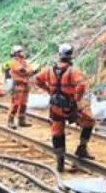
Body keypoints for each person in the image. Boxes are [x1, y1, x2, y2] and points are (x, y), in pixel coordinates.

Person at [35, 43, 96, 171]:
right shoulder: (73, 71)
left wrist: (48, 90)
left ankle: (60, 162)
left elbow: (38, 80)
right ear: (70, 56)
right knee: (89, 121)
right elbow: (81, 86)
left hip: (55, 107)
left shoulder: (49, 70)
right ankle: (82, 148)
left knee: (57, 132)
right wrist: (76, 99)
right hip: (70, 106)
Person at [6, 45, 34, 129]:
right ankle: (10, 121)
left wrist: (28, 70)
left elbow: (31, 70)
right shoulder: (14, 62)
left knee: (24, 104)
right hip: (18, 86)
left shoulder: (24, 61)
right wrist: (28, 71)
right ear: (16, 53)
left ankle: (21, 120)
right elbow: (23, 71)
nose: (23, 52)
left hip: (25, 85)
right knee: (15, 104)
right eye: (21, 51)